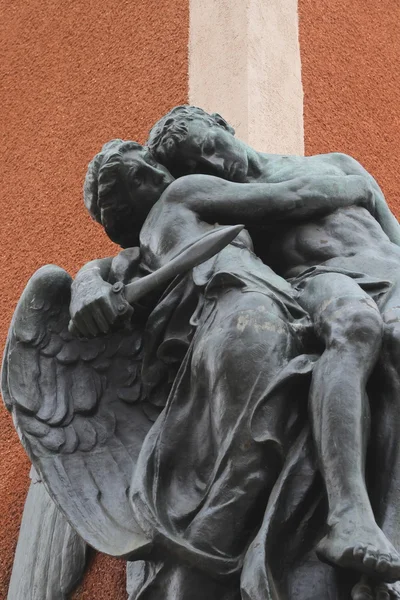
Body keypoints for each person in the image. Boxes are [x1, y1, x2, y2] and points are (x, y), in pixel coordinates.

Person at [69, 139, 376, 599]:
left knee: (242, 466)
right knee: (253, 454)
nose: (159, 170)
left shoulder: (129, 261)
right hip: (249, 314)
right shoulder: (184, 193)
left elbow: (98, 278)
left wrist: (86, 285)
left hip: (212, 341)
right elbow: (287, 200)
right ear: (141, 181)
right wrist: (357, 184)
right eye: (146, 168)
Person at [147, 105, 400, 599]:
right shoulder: (228, 199)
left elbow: (395, 235)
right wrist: (353, 191)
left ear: (223, 125)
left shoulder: (340, 161)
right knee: (355, 325)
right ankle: (348, 516)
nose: (213, 162)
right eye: (198, 162)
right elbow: (291, 200)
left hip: (393, 275)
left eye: (208, 145)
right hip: (322, 282)